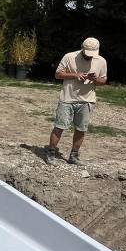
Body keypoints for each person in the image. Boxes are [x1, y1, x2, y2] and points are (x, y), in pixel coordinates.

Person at [44, 37, 107, 165]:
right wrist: (75, 75)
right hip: (67, 98)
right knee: (59, 127)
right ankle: (50, 153)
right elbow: (58, 74)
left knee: (81, 129)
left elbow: (103, 80)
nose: (89, 56)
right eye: (87, 53)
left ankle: (74, 155)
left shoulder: (101, 61)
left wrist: (94, 79)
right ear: (82, 48)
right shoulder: (69, 57)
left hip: (87, 100)